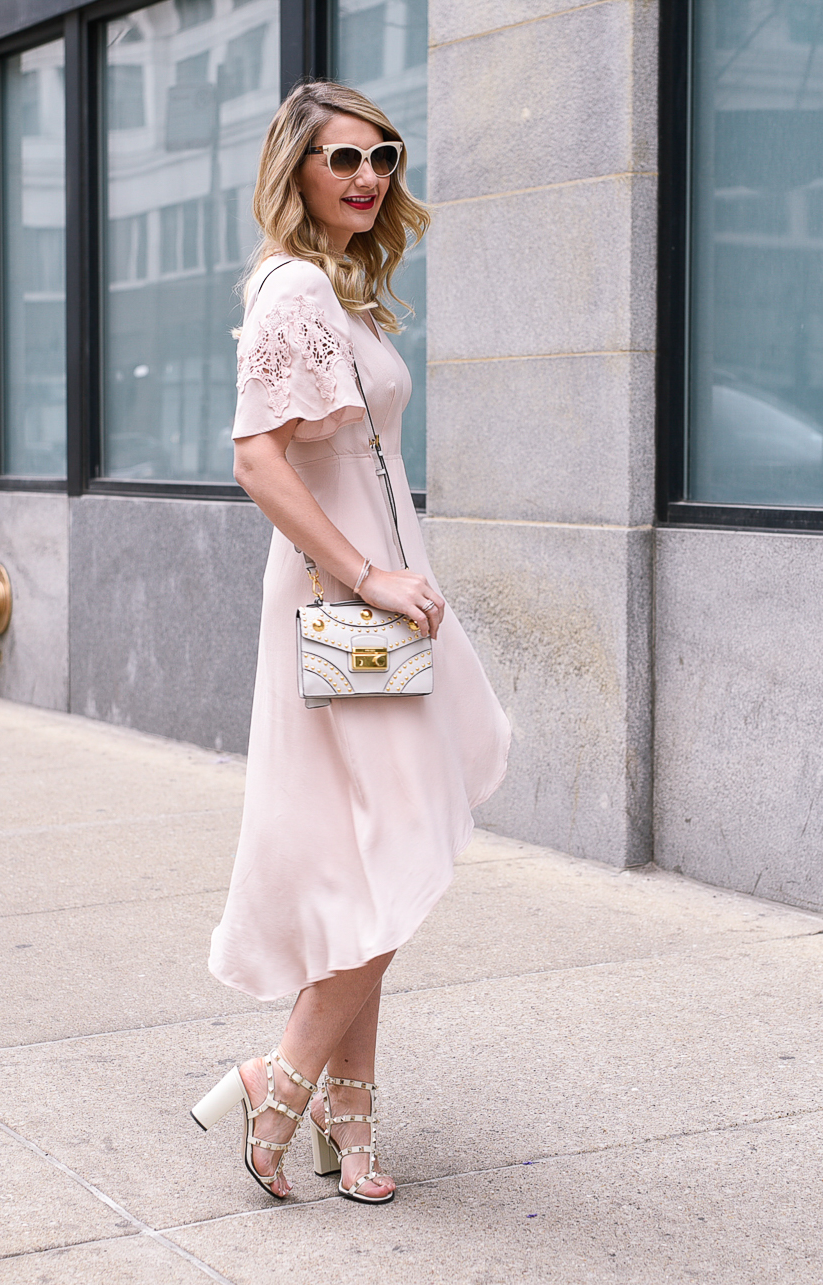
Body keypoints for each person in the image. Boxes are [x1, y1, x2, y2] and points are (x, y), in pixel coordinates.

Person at [191, 81, 510, 1205]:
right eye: (343, 160)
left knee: (371, 858)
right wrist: (373, 574)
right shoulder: (293, 291)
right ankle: (281, 1076)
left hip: (373, 603)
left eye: (382, 155)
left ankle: (348, 1124)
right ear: (298, 172)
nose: (368, 177)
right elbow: (258, 458)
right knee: (400, 850)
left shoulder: (340, 292)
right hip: (347, 605)